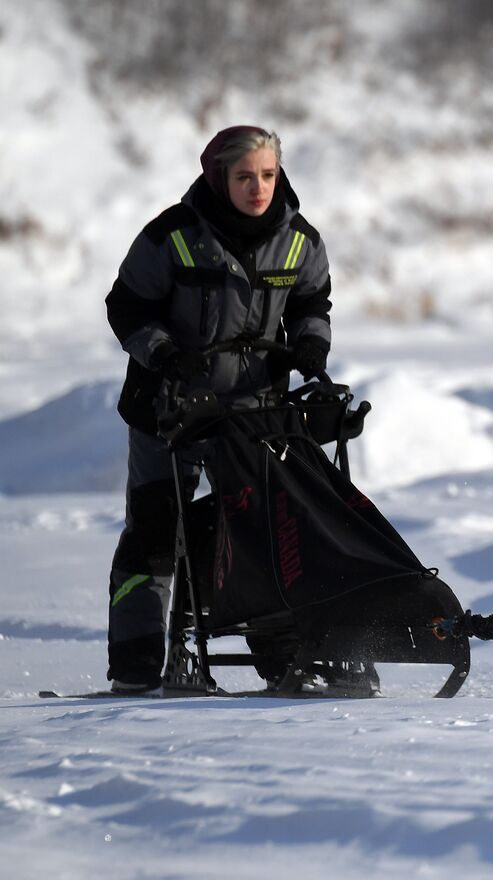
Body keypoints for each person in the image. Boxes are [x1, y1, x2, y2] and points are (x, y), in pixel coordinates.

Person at [104, 126, 332, 693]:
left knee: (264, 532)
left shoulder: (300, 241)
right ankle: (135, 668)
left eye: (268, 175)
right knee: (155, 533)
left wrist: (310, 345)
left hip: (254, 415)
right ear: (217, 177)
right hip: (170, 410)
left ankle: (283, 658)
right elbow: (127, 308)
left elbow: (312, 302)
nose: (258, 188)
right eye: (244, 176)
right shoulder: (171, 236)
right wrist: (165, 356)